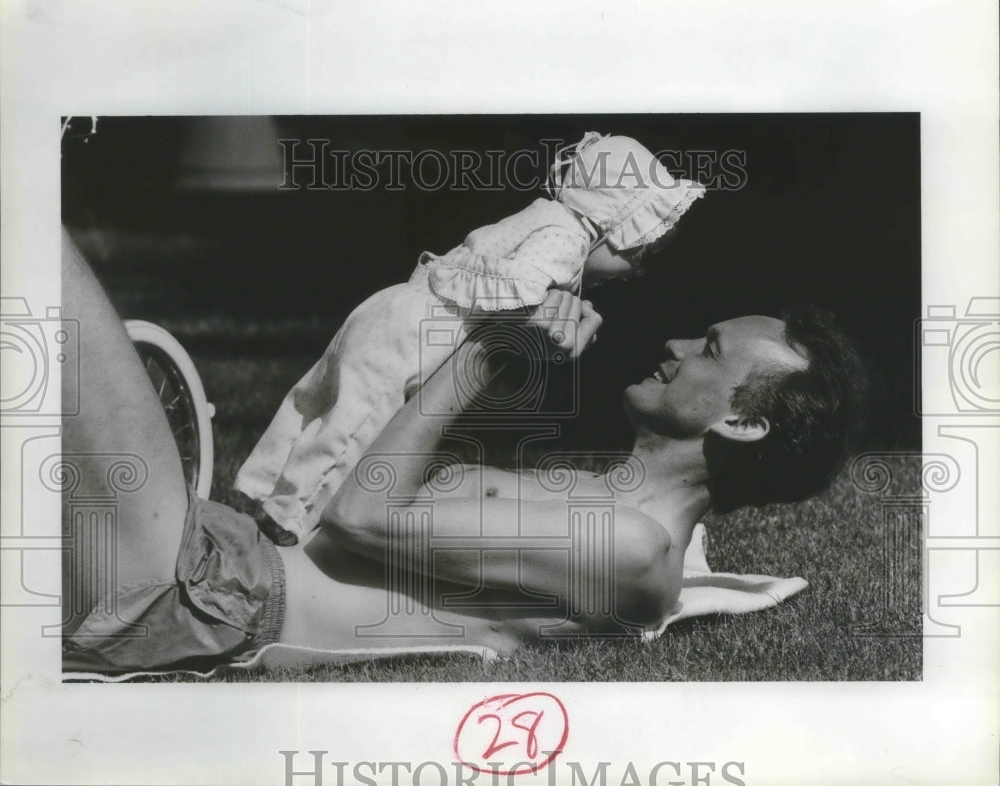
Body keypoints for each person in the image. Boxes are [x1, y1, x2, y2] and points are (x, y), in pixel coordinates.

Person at [59, 229, 864, 674]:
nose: (679, 342)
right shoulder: (611, 513)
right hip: (210, 559)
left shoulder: (630, 547)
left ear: (745, 424)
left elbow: (361, 519)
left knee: (36, 245)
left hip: (200, 593)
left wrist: (486, 355)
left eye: (711, 351)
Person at [234, 132, 706, 544]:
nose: (638, 270)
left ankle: (259, 485)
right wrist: (546, 318)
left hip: (393, 304)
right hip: (413, 334)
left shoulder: (544, 214)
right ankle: (293, 522)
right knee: (358, 425)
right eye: (640, 251)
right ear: (610, 228)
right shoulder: (568, 242)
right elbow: (522, 289)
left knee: (316, 401)